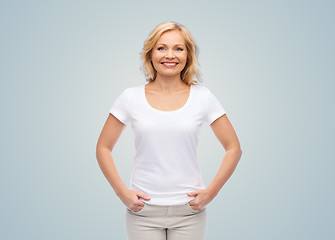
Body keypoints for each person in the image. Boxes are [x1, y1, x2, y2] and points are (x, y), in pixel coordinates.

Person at [96, 21, 242, 240]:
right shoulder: (130, 97)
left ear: (188, 55)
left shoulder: (203, 97)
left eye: (178, 48)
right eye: (161, 48)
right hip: (142, 212)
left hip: (189, 212)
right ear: (150, 54)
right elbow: (103, 148)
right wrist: (122, 192)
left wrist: (211, 192)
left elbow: (233, 148)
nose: (170, 55)